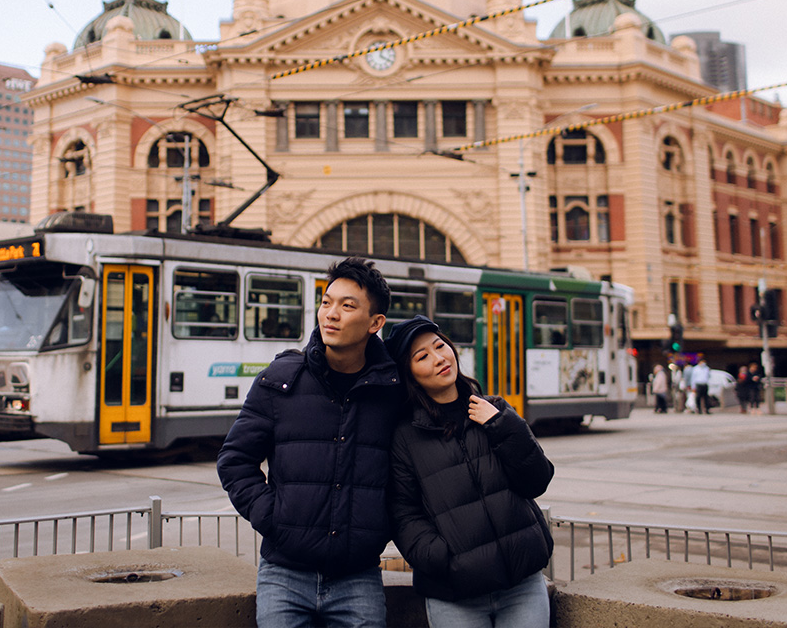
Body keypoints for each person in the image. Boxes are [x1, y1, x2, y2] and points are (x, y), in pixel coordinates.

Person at [216, 257, 400, 628]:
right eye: (326, 302)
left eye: (348, 306)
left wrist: (380, 527)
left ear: (375, 324)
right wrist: (275, 520)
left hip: (358, 575)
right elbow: (235, 461)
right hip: (284, 574)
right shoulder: (280, 380)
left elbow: (415, 471)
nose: (330, 314)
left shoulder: (394, 393)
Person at [385, 316, 554, 628]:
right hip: (454, 594)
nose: (439, 359)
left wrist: (504, 426)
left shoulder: (496, 410)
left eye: (440, 346)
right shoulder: (405, 437)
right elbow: (403, 513)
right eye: (422, 357)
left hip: (522, 585)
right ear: (409, 374)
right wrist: (441, 558)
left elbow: (537, 480)